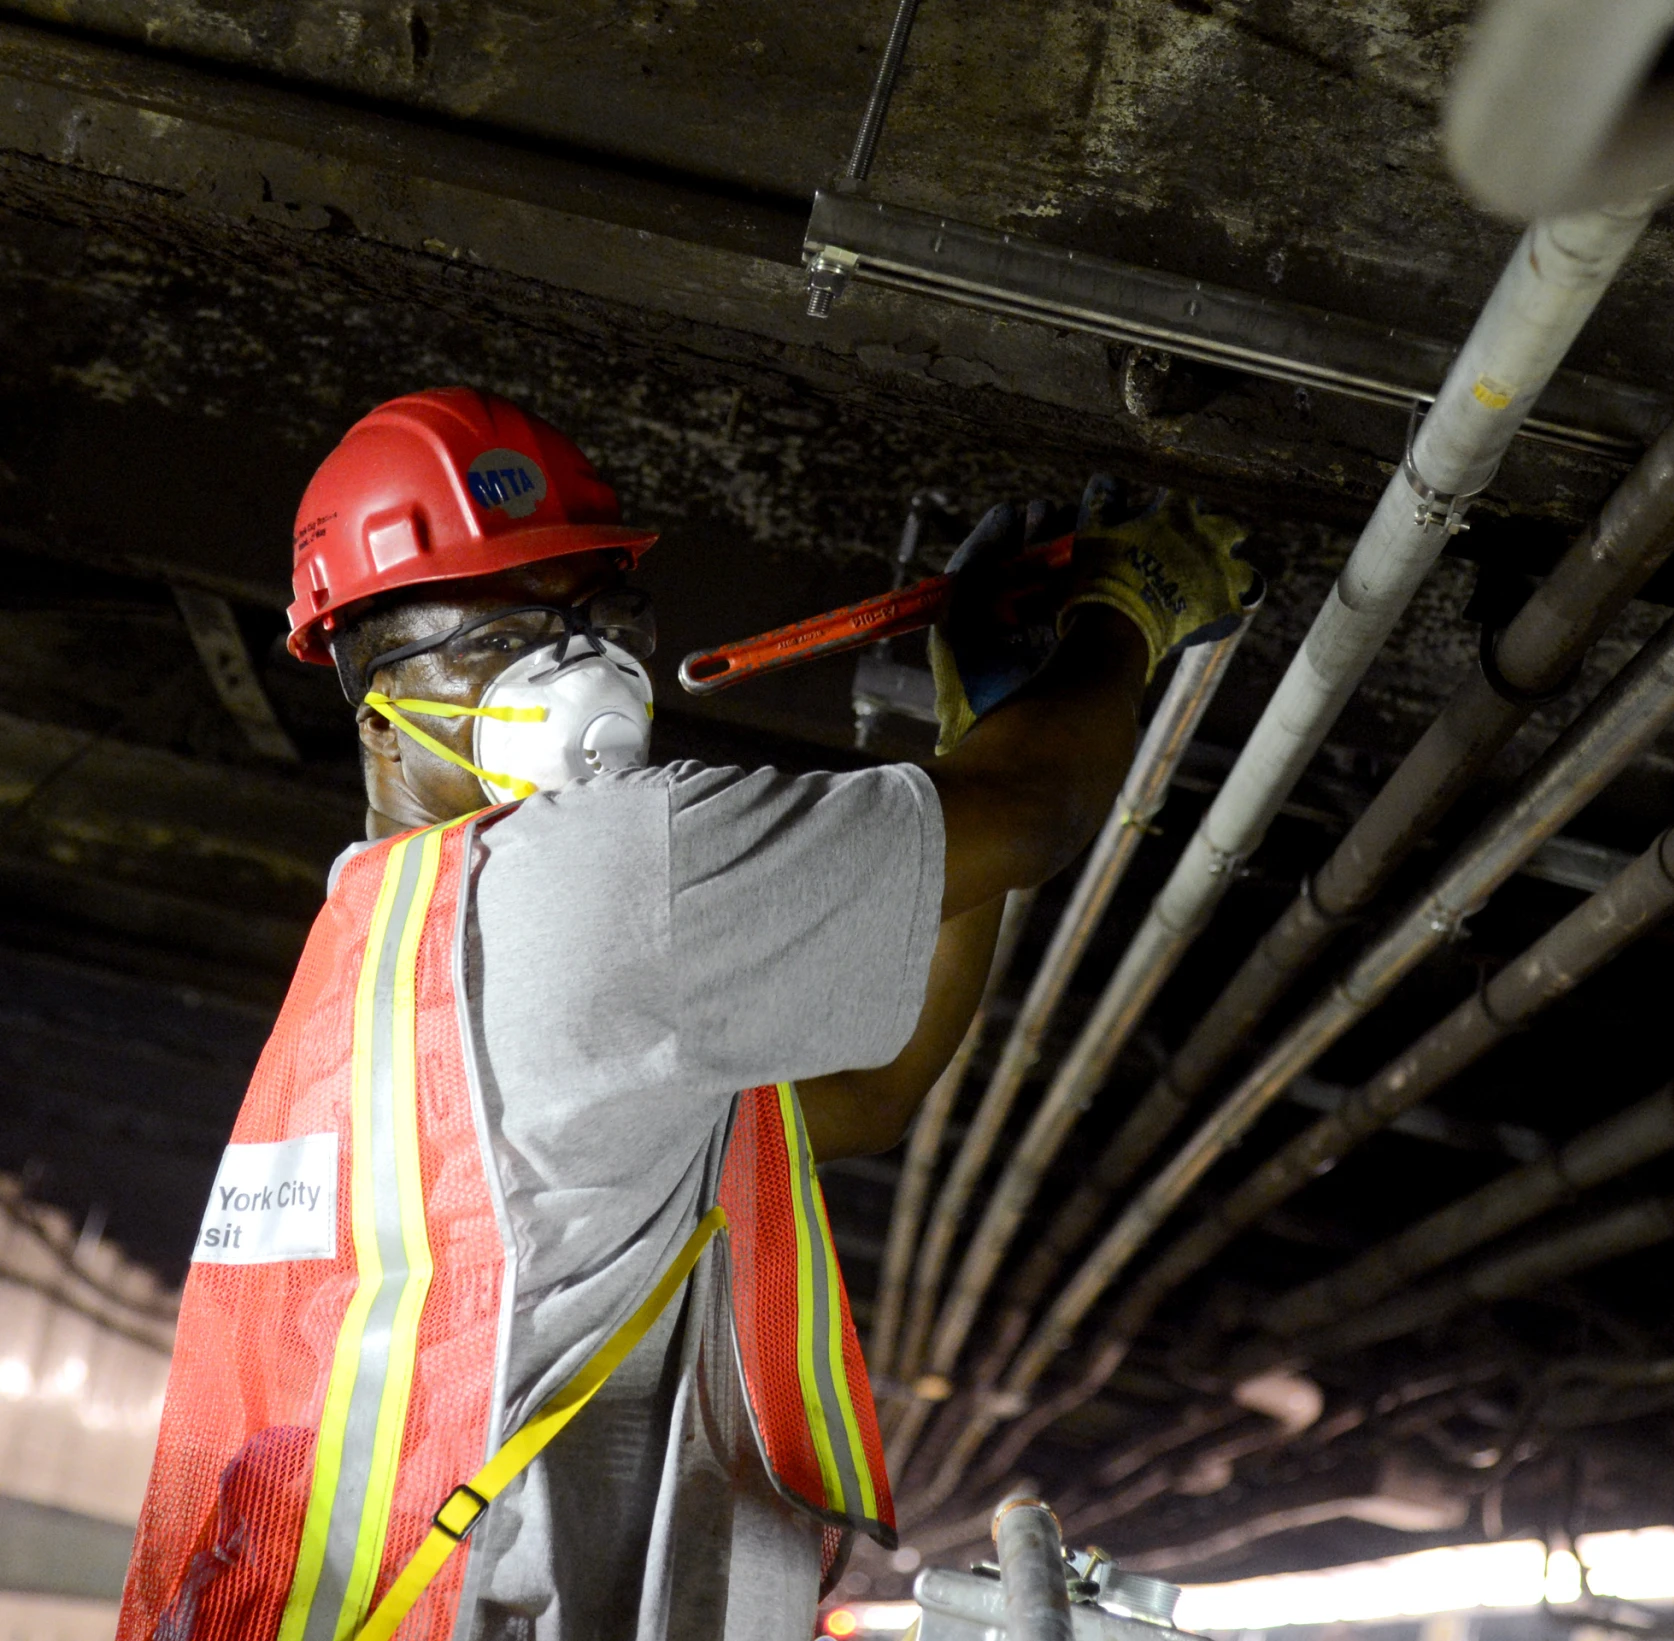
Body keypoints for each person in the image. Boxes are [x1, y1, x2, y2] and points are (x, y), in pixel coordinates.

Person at [120, 388, 1257, 1641]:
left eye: (594, 612)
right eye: (498, 632)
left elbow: (861, 1100)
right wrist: (1121, 615)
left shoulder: (369, 950)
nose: (573, 667)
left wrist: (967, 741)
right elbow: (1034, 813)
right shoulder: (591, 870)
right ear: (368, 686)